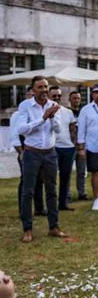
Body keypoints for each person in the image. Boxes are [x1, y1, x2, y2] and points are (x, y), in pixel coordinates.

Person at [16, 76, 68, 242]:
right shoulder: (25, 106)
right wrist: (43, 118)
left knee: (52, 190)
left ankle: (53, 227)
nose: (44, 90)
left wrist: (52, 117)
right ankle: (27, 229)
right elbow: (22, 129)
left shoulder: (53, 105)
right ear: (33, 90)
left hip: (50, 153)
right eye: (40, 87)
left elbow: (58, 129)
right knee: (28, 191)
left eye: (45, 87)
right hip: (32, 153)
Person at [10, 86, 45, 216]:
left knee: (39, 180)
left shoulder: (40, 111)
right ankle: (23, 210)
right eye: (29, 95)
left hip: (39, 151)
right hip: (25, 151)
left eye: (33, 95)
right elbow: (14, 135)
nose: (31, 98)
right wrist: (21, 152)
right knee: (26, 181)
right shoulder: (18, 114)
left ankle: (39, 208)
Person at [48, 86, 77, 211]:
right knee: (51, 178)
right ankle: (52, 204)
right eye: (54, 95)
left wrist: (74, 143)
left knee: (66, 176)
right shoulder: (45, 111)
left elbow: (72, 129)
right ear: (49, 96)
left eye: (59, 95)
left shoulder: (68, 112)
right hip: (53, 147)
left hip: (67, 148)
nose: (57, 98)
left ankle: (63, 203)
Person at [69, 90, 88, 200]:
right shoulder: (67, 112)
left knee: (81, 171)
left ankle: (82, 192)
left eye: (78, 98)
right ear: (70, 100)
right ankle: (68, 194)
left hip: (81, 146)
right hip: (70, 145)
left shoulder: (83, 112)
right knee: (68, 172)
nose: (76, 100)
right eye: (74, 98)